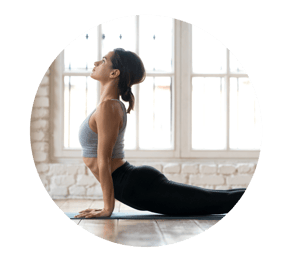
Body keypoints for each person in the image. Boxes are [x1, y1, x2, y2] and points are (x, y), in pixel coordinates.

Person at [75, 48, 246, 219]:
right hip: (131, 183)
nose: (96, 63)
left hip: (135, 186)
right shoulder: (107, 106)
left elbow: (103, 159)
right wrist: (107, 206)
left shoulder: (109, 107)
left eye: (104, 60)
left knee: (214, 201)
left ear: (114, 73)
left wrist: (107, 209)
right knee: (212, 199)